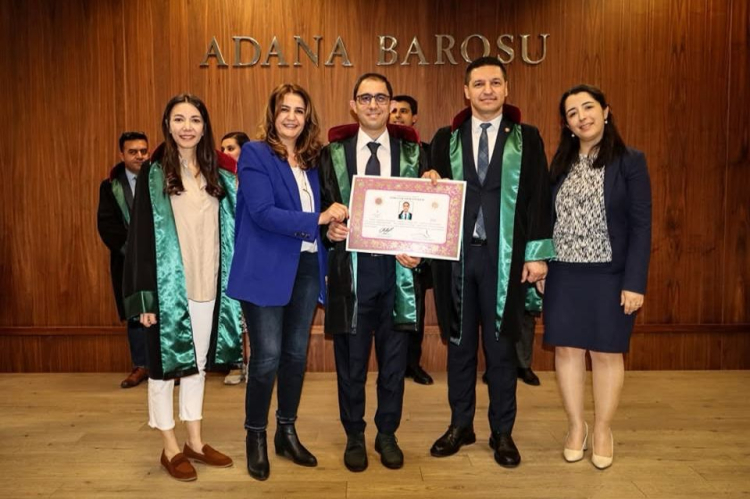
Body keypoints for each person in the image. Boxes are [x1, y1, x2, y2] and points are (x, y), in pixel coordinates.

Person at [429, 57, 554, 467]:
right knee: (459, 347)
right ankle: (460, 425)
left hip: (506, 260)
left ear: (506, 89)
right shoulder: (445, 139)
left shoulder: (527, 138)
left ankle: (502, 432)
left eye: (495, 83)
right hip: (458, 260)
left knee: (501, 350)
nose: (487, 90)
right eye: (479, 83)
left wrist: (537, 255)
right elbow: (430, 196)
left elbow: (539, 196)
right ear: (466, 90)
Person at [227, 83, 347, 481]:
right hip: (264, 268)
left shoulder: (313, 160)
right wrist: (319, 219)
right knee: (267, 357)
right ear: (273, 114)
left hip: (307, 267)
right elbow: (263, 213)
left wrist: (329, 228)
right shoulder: (255, 153)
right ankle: (255, 435)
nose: (292, 117)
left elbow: (322, 214)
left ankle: (286, 431)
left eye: (299, 110)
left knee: (296, 356)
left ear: (307, 117)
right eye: (285, 109)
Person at [123, 94, 242, 481]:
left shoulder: (218, 176)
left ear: (205, 127)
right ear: (168, 126)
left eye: (194, 119)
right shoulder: (153, 174)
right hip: (168, 289)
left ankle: (195, 441)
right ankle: (170, 447)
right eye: (179, 119)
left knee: (198, 367)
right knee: (162, 370)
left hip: (208, 284)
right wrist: (144, 298)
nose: (187, 126)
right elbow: (140, 239)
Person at [319, 73, 429, 472]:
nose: (373, 105)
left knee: (394, 362)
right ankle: (354, 434)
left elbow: (427, 216)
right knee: (351, 362)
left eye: (381, 98)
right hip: (352, 272)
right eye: (365, 98)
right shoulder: (331, 154)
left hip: (398, 273)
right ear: (353, 105)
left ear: (390, 104)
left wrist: (420, 252)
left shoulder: (414, 154)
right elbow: (322, 207)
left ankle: (386, 434)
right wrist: (330, 230)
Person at [542, 84, 652, 470]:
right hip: (563, 272)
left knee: (606, 353)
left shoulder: (630, 161)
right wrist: (543, 262)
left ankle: (603, 429)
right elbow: (547, 218)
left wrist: (635, 282)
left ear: (606, 111)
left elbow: (641, 225)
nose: (581, 117)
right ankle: (577, 427)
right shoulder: (560, 163)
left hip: (610, 274)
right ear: (567, 124)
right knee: (567, 351)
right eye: (572, 113)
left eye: (588, 108)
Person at [97, 131, 150, 388]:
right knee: (135, 312)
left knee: (163, 311)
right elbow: (107, 225)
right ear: (122, 154)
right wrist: (132, 252)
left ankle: (164, 365)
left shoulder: (159, 179)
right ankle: (140, 365)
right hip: (127, 260)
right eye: (133, 152)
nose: (139, 156)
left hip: (161, 260)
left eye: (143, 151)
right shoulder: (110, 186)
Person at [389, 94, 434, 385]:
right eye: (393, 110)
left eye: (403, 111)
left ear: (414, 117)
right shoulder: (380, 150)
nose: (397, 115)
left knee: (415, 306)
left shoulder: (426, 152)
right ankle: (391, 367)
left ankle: (412, 364)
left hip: (416, 244)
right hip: (382, 243)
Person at [220, 130, 251, 386]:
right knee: (231, 310)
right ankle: (235, 363)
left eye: (231, 148)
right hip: (226, 254)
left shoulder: (254, 179)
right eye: (223, 149)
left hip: (251, 253)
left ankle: (254, 364)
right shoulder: (220, 182)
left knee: (252, 314)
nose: (225, 153)